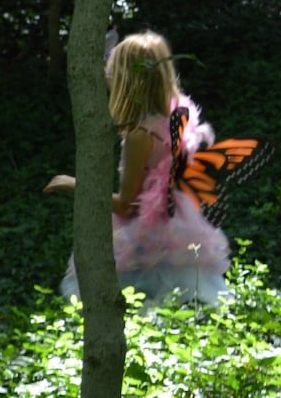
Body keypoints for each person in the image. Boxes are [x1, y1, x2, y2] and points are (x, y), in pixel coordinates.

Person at [43, 30, 231, 305]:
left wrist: (72, 183)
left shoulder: (140, 135)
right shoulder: (172, 117)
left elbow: (127, 205)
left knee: (142, 307)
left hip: (146, 236)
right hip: (179, 224)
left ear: (126, 80)